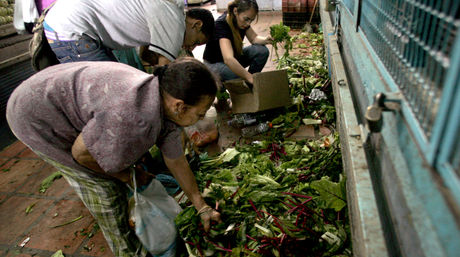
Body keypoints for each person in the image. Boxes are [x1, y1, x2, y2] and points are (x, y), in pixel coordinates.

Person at [6, 57, 222, 256]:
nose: (200, 119)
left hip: (57, 91)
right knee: (107, 192)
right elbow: (82, 154)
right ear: (180, 106)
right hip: (34, 116)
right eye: (200, 114)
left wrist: (201, 206)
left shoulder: (164, 99)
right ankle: (128, 251)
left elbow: (176, 160)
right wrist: (127, 176)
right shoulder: (132, 118)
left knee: (120, 166)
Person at [43, 0, 215, 65]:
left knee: (116, 83)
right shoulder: (175, 22)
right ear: (196, 25)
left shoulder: (170, 11)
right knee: (109, 92)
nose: (190, 47)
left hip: (66, 22)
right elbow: (166, 74)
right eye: (196, 42)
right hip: (71, 30)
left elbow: (147, 56)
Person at [203, 0, 272, 85]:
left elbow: (254, 38)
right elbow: (228, 59)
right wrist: (248, 76)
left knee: (262, 51)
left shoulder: (241, 21)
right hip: (214, 64)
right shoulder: (222, 24)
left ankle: (250, 84)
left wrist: (267, 40)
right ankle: (234, 85)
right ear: (235, 11)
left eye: (251, 20)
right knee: (237, 75)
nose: (248, 24)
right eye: (246, 19)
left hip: (233, 57)